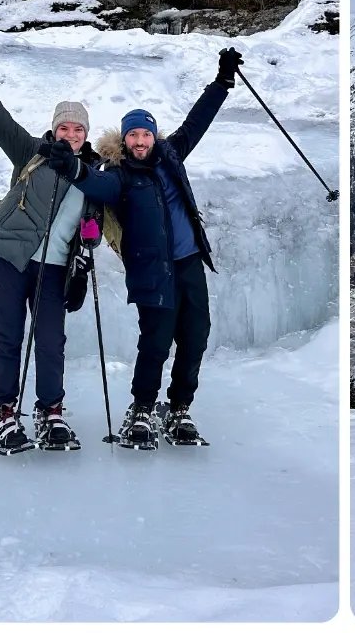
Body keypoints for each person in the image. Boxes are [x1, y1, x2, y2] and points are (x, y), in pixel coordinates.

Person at [60, 47, 243, 447]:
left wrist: (222, 82)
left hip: (189, 262)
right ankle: (142, 407)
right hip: (151, 270)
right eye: (133, 135)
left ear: (153, 136)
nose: (140, 141)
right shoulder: (119, 174)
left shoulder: (171, 155)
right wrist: (69, 164)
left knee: (195, 337)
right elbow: (93, 185)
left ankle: (179, 408)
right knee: (156, 341)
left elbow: (198, 121)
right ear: (124, 141)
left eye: (146, 133)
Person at [0, 44, 106, 452]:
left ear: (87, 135)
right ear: (54, 130)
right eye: (65, 128)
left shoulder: (93, 173)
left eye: (78, 130)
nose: (70, 135)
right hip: (10, 257)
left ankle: (51, 411)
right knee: (9, 336)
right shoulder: (32, 152)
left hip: (54, 269)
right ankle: (3, 411)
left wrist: (91, 235)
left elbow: (98, 225)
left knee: (51, 340)